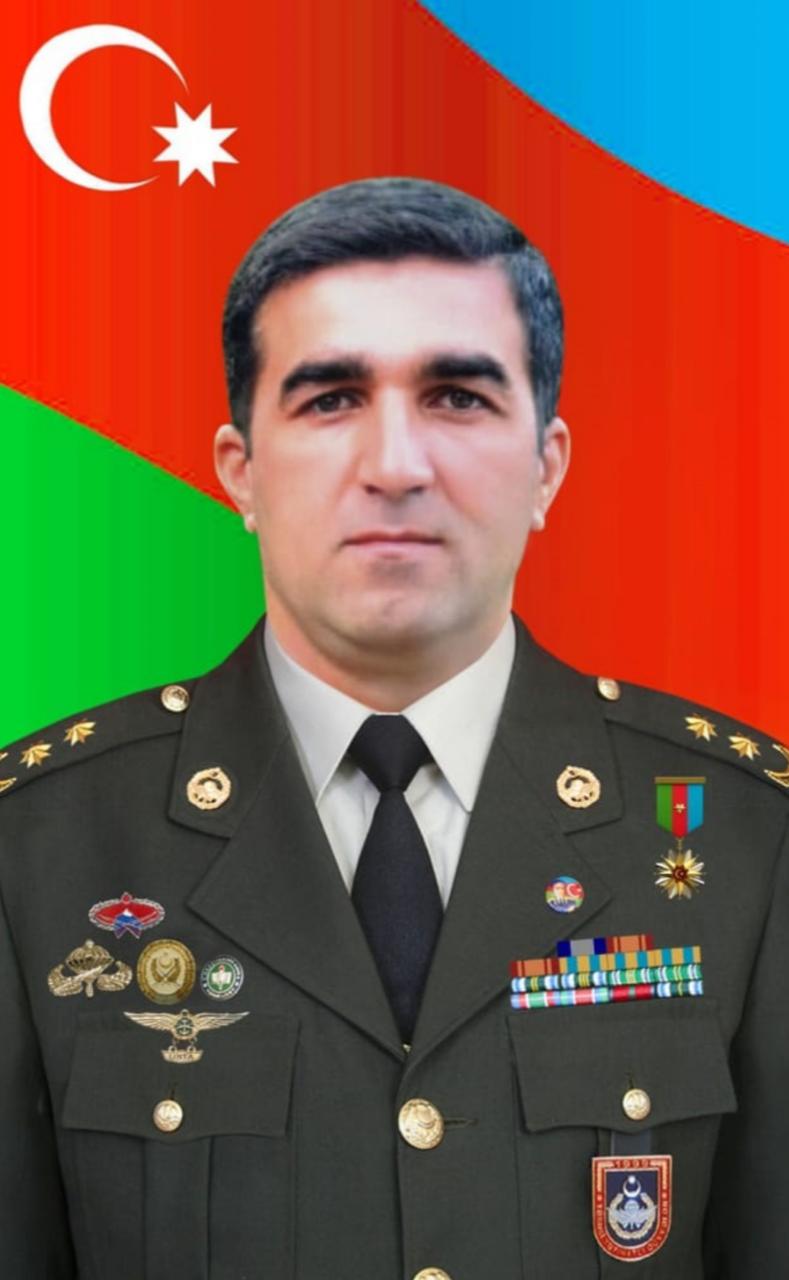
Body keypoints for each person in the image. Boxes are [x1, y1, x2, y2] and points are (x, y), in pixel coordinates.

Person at [1, 176, 786, 1280]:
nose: (396, 466)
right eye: (330, 400)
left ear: (547, 466)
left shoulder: (744, 836)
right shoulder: (39, 843)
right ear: (240, 472)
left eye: (457, 396)